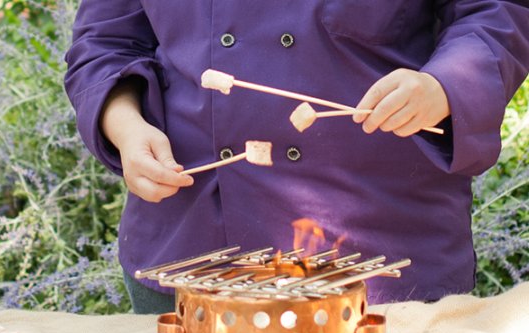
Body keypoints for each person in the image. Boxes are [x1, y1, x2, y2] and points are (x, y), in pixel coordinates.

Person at [64, 1, 529, 314]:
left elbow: (498, 13)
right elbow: (105, 41)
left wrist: (444, 85)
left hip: (379, 250)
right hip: (188, 246)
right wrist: (125, 127)